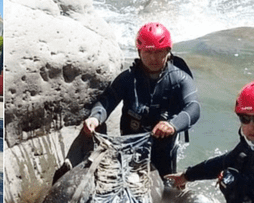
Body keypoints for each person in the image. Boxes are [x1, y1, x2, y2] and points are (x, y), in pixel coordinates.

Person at [81, 22, 200, 177]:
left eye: (159, 52)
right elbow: (107, 100)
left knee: (165, 189)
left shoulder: (180, 79)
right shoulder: (128, 79)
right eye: (147, 52)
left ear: (168, 51)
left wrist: (172, 125)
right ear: (139, 52)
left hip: (163, 150)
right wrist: (95, 118)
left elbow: (194, 107)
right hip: (129, 146)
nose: (153, 58)